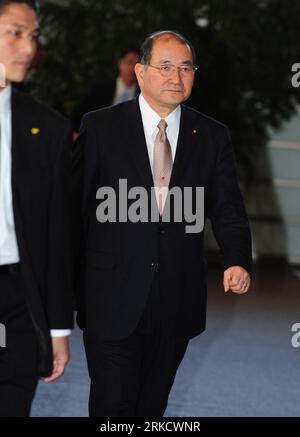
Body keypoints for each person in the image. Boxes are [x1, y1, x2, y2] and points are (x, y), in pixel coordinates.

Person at [73, 30, 252, 417]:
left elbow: (226, 206)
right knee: (112, 407)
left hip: (175, 296)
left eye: (186, 68)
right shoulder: (101, 126)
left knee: (152, 408)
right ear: (140, 72)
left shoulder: (211, 135)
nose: (177, 77)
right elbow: (77, 207)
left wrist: (236, 258)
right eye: (166, 67)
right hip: (110, 295)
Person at [0, 0, 73, 416]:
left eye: (32, 35)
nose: (27, 47)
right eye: (14, 32)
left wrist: (58, 327)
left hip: (17, 297)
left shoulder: (48, 128)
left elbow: (56, 236)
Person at [71, 46, 140, 133]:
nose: (132, 68)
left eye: (137, 64)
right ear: (120, 63)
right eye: (129, 62)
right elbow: (78, 115)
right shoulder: (101, 90)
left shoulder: (144, 94)